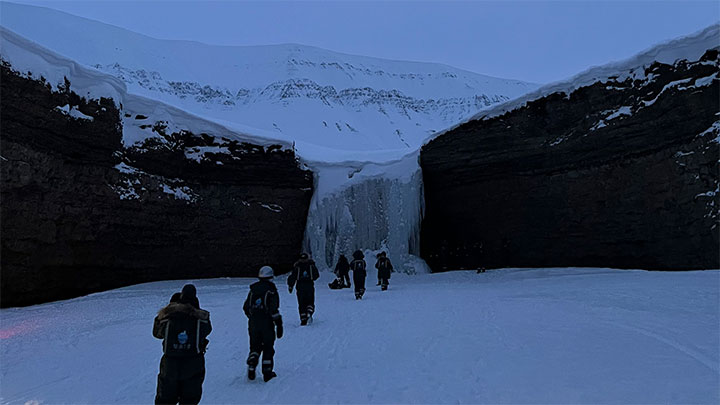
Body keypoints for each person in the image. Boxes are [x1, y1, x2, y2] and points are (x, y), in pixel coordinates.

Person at [153, 284, 212, 405]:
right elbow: (207, 331)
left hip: (170, 363)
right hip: (193, 362)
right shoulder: (201, 319)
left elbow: (157, 333)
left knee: (165, 398)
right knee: (190, 399)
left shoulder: (167, 318)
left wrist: (169, 310)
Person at [243, 266, 283, 382]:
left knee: (255, 345)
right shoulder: (271, 290)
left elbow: (245, 307)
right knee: (268, 346)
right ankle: (267, 372)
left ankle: (252, 362)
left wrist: (252, 317)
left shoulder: (253, 290)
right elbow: (273, 309)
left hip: (253, 323)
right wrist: (279, 324)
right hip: (267, 323)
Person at [288, 253, 320, 325]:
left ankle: (303, 319)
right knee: (310, 300)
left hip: (300, 286)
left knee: (301, 302)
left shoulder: (297, 266)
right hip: (309, 285)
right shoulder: (311, 265)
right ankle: (309, 311)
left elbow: (292, 277)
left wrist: (290, 286)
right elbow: (316, 276)